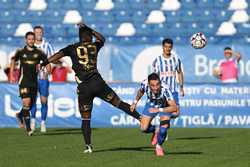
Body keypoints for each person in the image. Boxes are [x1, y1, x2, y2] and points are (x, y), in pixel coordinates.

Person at [41, 23, 141, 153]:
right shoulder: (94, 46)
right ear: (90, 36)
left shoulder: (72, 48)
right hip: (98, 84)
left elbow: (58, 55)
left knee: (86, 117)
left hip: (84, 88)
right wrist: (91, 30)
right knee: (118, 103)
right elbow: (102, 39)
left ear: (80, 36)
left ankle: (88, 146)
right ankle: (140, 117)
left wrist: (45, 62)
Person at [10, 31, 48, 135]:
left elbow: (46, 61)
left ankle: (19, 115)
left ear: (34, 40)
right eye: (29, 39)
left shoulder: (39, 52)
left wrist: (46, 71)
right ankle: (28, 129)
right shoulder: (21, 51)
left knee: (30, 105)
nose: (31, 40)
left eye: (32, 39)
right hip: (24, 81)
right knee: (26, 103)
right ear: (26, 40)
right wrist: (12, 74)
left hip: (34, 82)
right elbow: (13, 60)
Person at [130, 73, 177, 156]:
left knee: (163, 129)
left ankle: (158, 146)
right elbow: (140, 92)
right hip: (151, 104)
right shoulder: (144, 84)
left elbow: (174, 107)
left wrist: (159, 109)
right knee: (143, 128)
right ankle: (155, 130)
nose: (156, 88)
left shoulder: (165, 89)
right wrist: (135, 102)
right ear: (148, 84)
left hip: (164, 106)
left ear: (160, 83)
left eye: (157, 84)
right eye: (153, 85)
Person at [30, 25, 55, 132]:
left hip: (43, 78)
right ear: (33, 33)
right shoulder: (30, 46)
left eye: (40, 32)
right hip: (32, 78)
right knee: (32, 101)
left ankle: (43, 122)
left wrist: (48, 71)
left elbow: (53, 60)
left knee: (44, 101)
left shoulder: (47, 46)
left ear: (42, 33)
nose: (39, 34)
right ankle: (33, 121)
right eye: (37, 32)